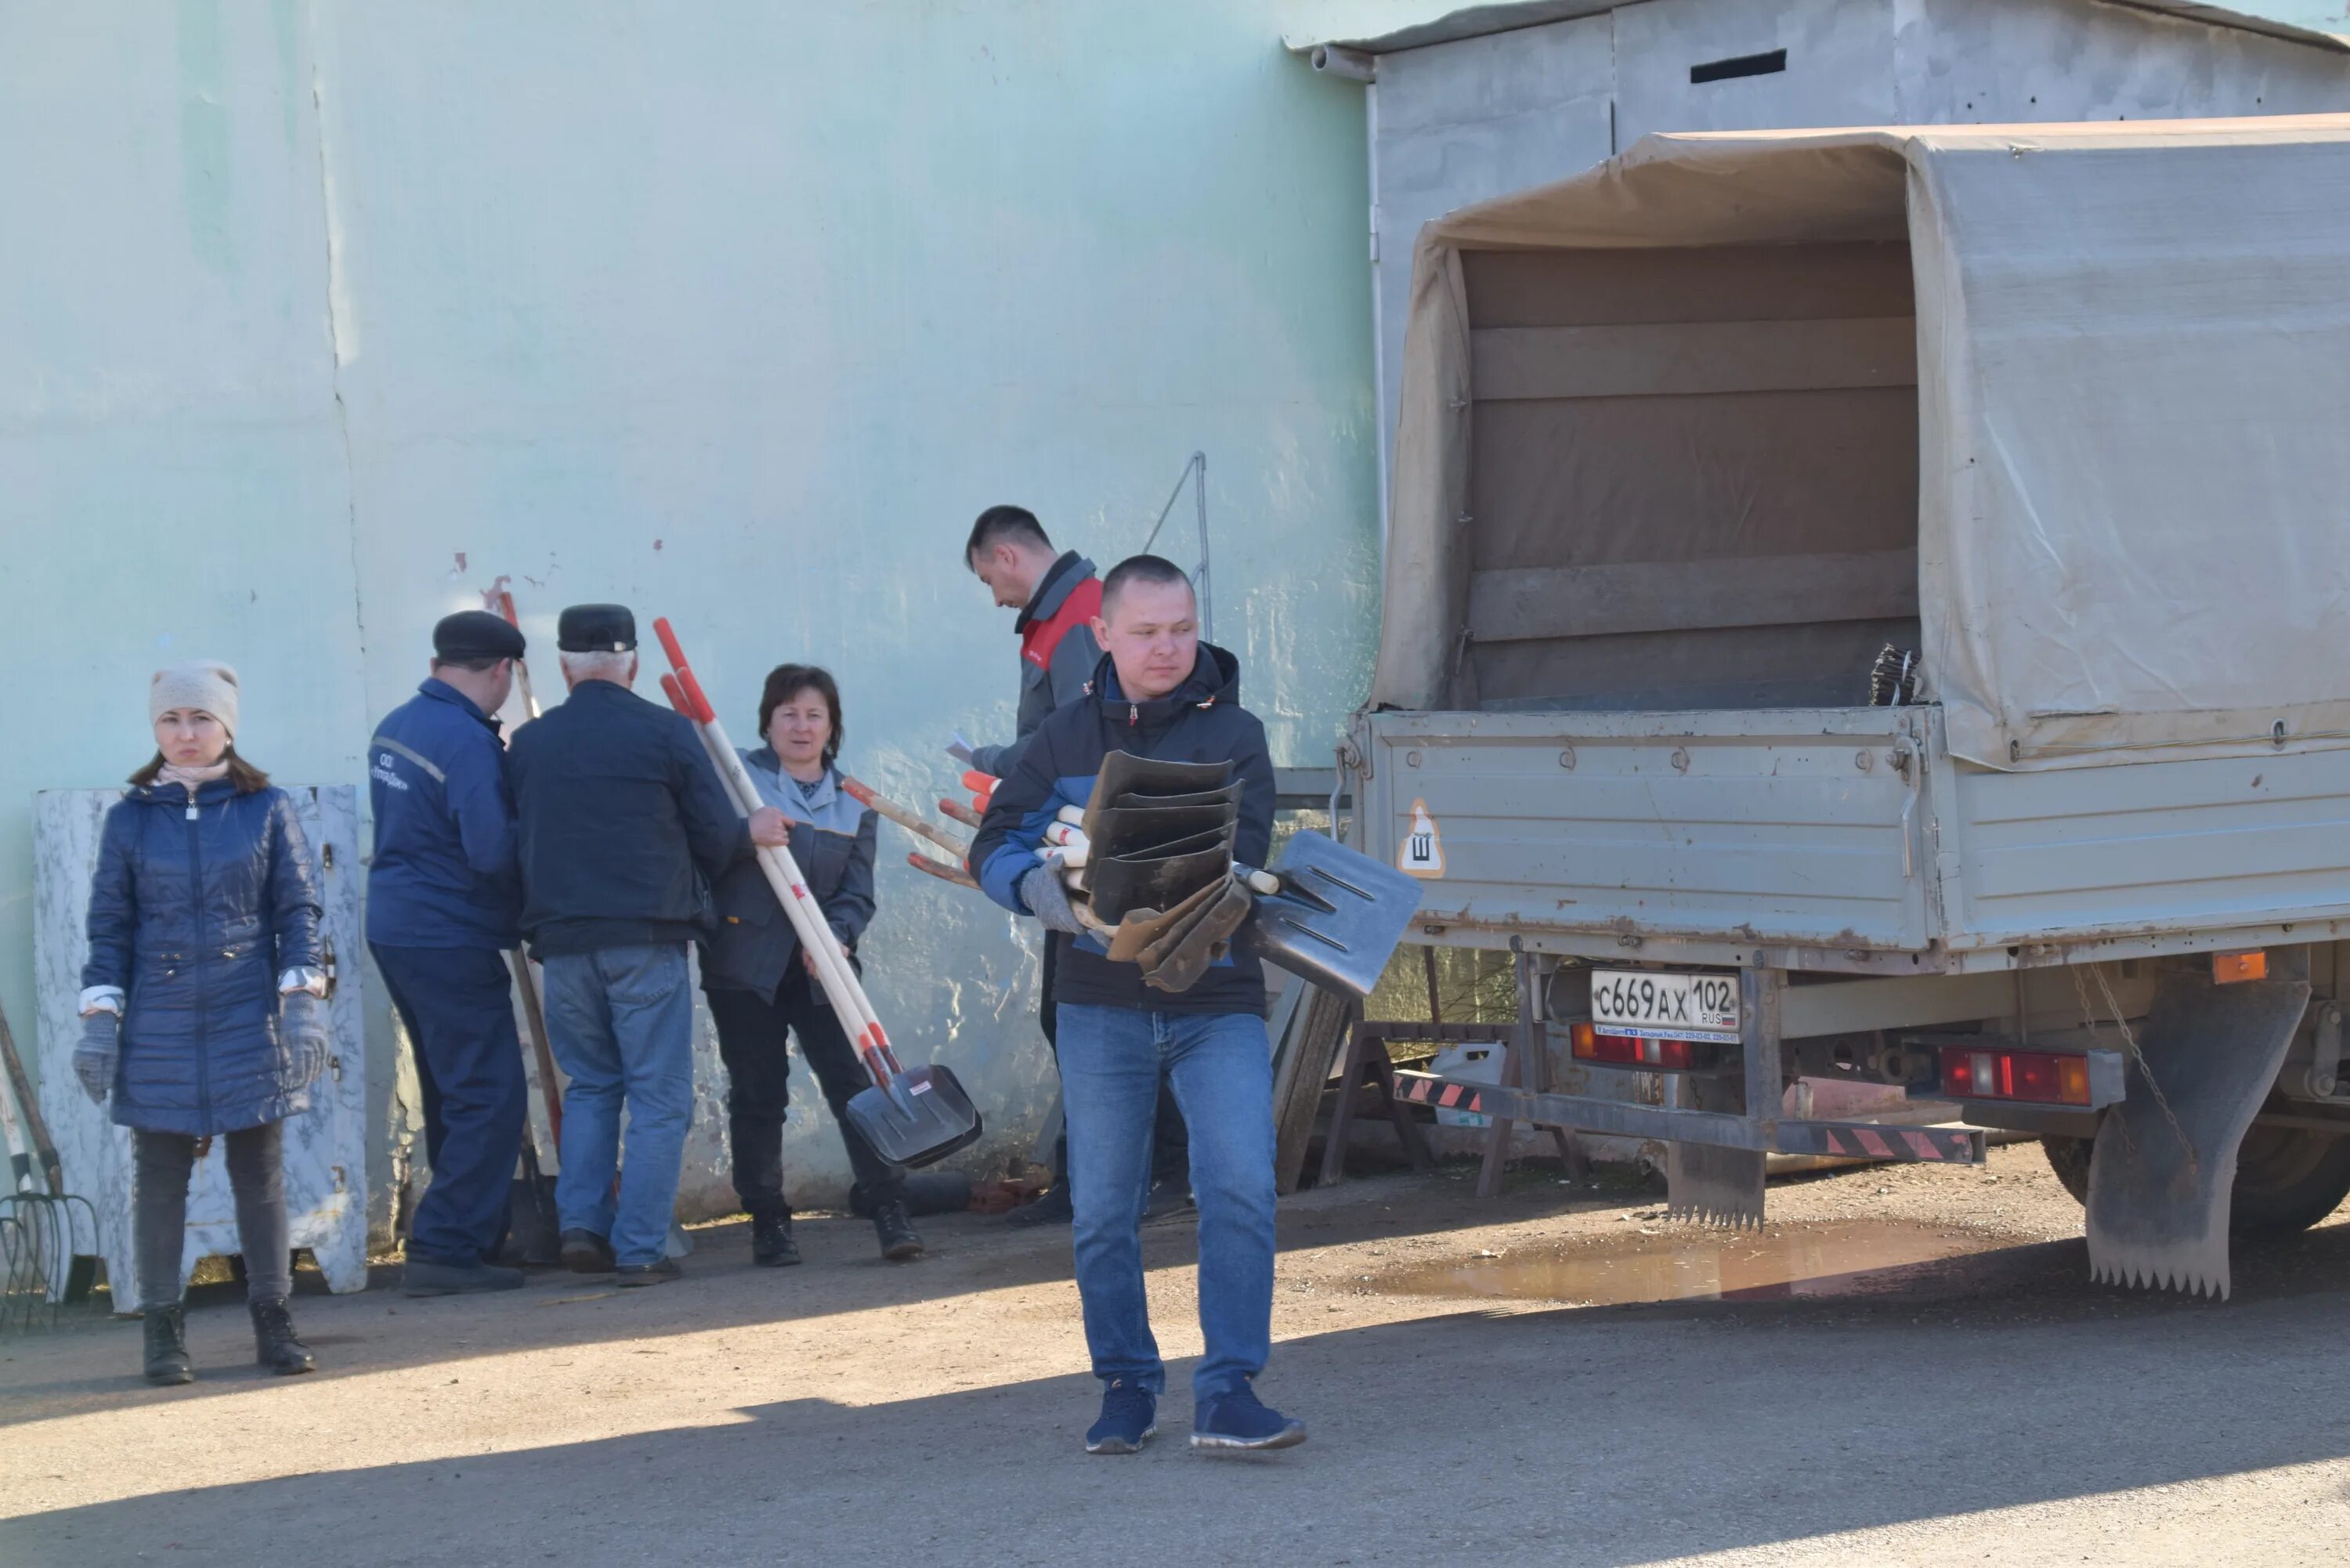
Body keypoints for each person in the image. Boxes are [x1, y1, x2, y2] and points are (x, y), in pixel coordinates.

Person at [970, 555, 1303, 1455]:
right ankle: (1125, 1385)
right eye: (1148, 632)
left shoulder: (1236, 734)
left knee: (1239, 1186)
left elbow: (1244, 850)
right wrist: (1038, 889)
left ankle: (1230, 1390)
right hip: (1099, 1005)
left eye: (1182, 628)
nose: (1168, 648)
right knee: (1104, 1207)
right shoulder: (1062, 740)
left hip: (1216, 999)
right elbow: (993, 840)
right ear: (1105, 636)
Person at [506, 605, 794, 1286]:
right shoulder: (666, 733)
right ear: (632, 665)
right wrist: (749, 827)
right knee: (660, 1098)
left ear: (564, 668)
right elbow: (714, 838)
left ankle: (581, 1226)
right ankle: (638, 1247)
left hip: (564, 942)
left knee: (592, 1087)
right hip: (647, 937)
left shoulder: (531, 744)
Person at [74, 663, 328, 1384]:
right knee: (158, 1181)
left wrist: (303, 1006)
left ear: (227, 727)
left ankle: (273, 1321)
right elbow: (109, 928)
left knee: (261, 1177)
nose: (185, 735)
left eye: (200, 719)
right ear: (155, 729)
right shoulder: (129, 818)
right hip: (159, 1018)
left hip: (247, 1014)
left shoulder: (266, 807)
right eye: (170, 721)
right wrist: (100, 1022)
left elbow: (298, 913)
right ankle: (162, 1331)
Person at [961, 505, 1186, 1229]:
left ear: (1005, 555)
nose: (993, 597)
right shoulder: (1065, 618)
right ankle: (1116, 1180)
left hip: (1103, 854)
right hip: (1080, 844)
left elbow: (1086, 746)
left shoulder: (1078, 619)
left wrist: (1002, 774)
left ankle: (1137, 1179)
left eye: (987, 578)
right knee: (1079, 1014)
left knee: (1098, 1016)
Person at [700, 663, 921, 1264]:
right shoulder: (732, 781)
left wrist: (839, 937)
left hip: (823, 967)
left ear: (832, 727)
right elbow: (697, 851)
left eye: (814, 715)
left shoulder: (853, 804)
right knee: (758, 1092)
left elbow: (857, 895)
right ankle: (769, 1221)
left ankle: (889, 1209)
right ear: (768, 722)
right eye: (788, 713)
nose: (801, 726)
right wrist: (746, 833)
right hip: (744, 964)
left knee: (857, 1089)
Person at [367, 609, 532, 1297]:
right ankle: (444, 1247)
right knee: (490, 1094)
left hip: (397, 926)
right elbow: (491, 848)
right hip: (449, 931)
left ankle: (471, 1239)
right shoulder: (467, 742)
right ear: (501, 671)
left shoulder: (397, 724)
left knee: (451, 1089)